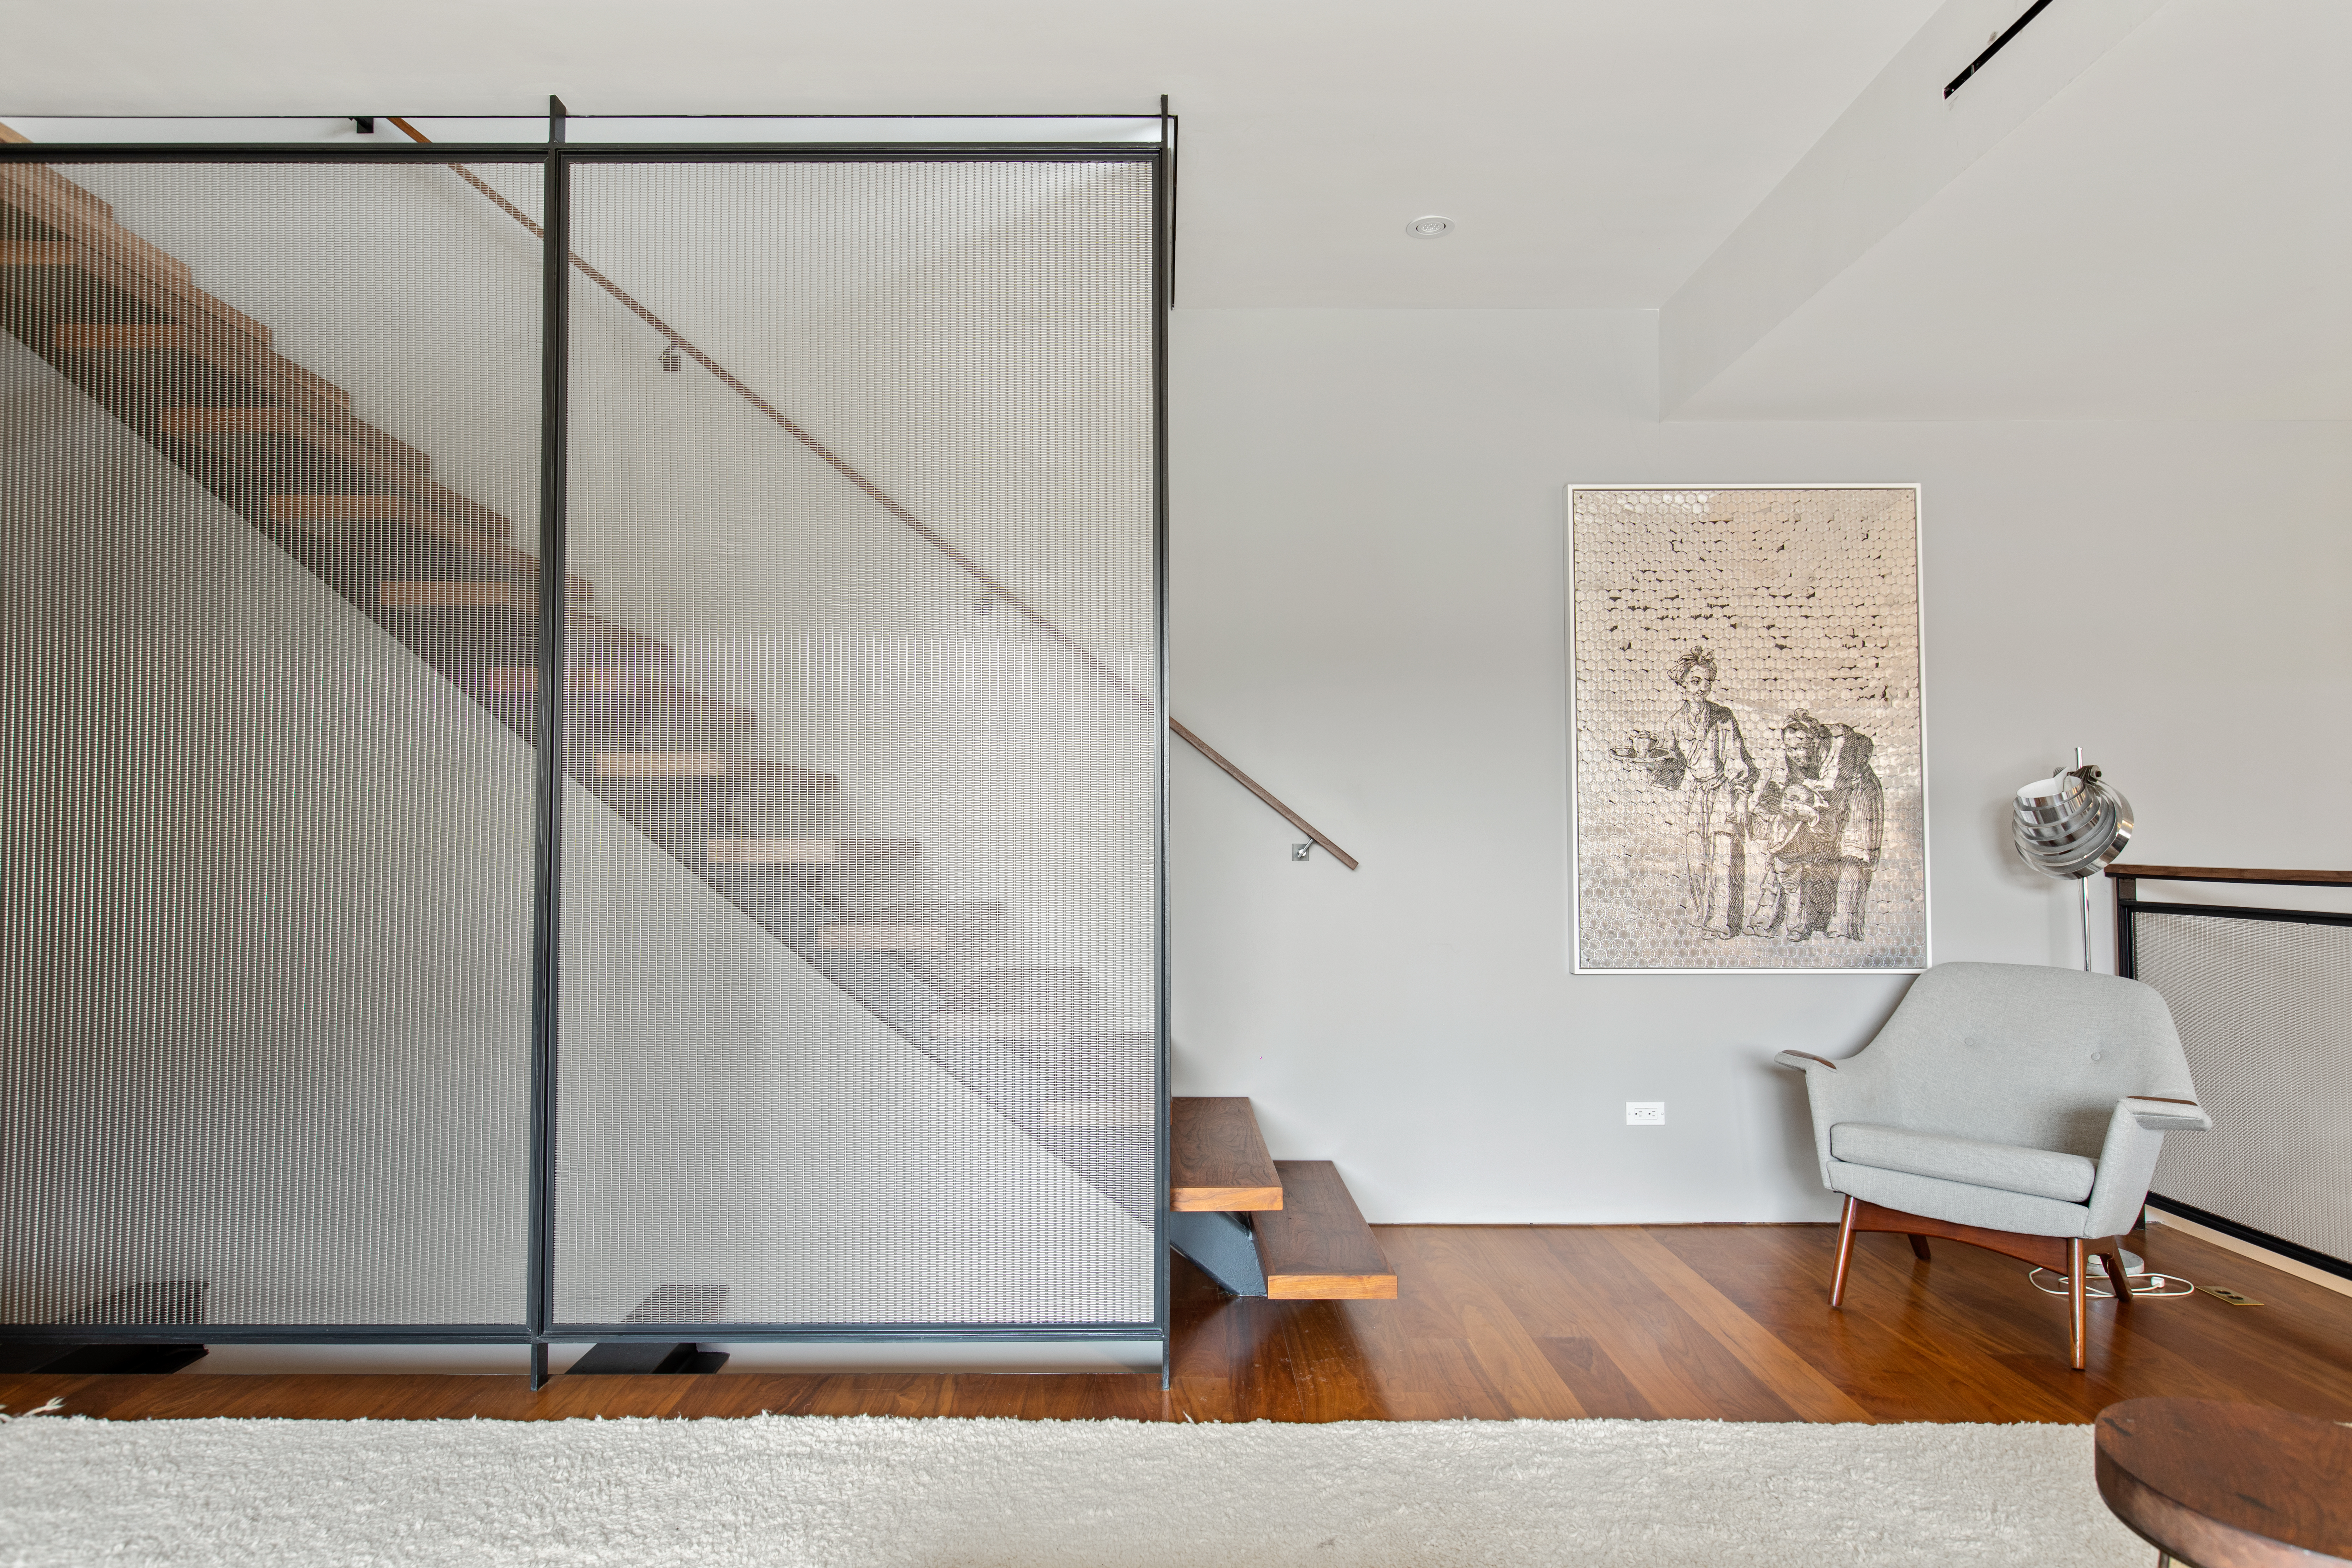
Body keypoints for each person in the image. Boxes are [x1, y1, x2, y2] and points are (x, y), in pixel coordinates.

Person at [1616, 648, 1755, 938]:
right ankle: (1703, 918)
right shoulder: (1676, 722)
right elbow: (1672, 767)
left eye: (1707, 681)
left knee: (1724, 857)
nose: (1703, 687)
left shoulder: (1723, 717)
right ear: (1683, 684)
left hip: (1724, 792)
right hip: (1697, 797)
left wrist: (1740, 798)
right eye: (1696, 681)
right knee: (1697, 858)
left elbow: (1737, 760)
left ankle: (1722, 922)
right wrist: (1649, 764)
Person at [1745, 711, 1883, 942]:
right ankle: (1771, 919)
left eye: (1802, 749)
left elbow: (1834, 796)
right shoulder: (1790, 746)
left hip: (1857, 795)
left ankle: (1843, 926)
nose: (1796, 755)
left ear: (1816, 742)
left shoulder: (1841, 745)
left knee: (1850, 857)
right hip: (1813, 800)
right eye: (1791, 749)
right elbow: (1775, 787)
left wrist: (1807, 812)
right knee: (1787, 846)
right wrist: (1759, 816)